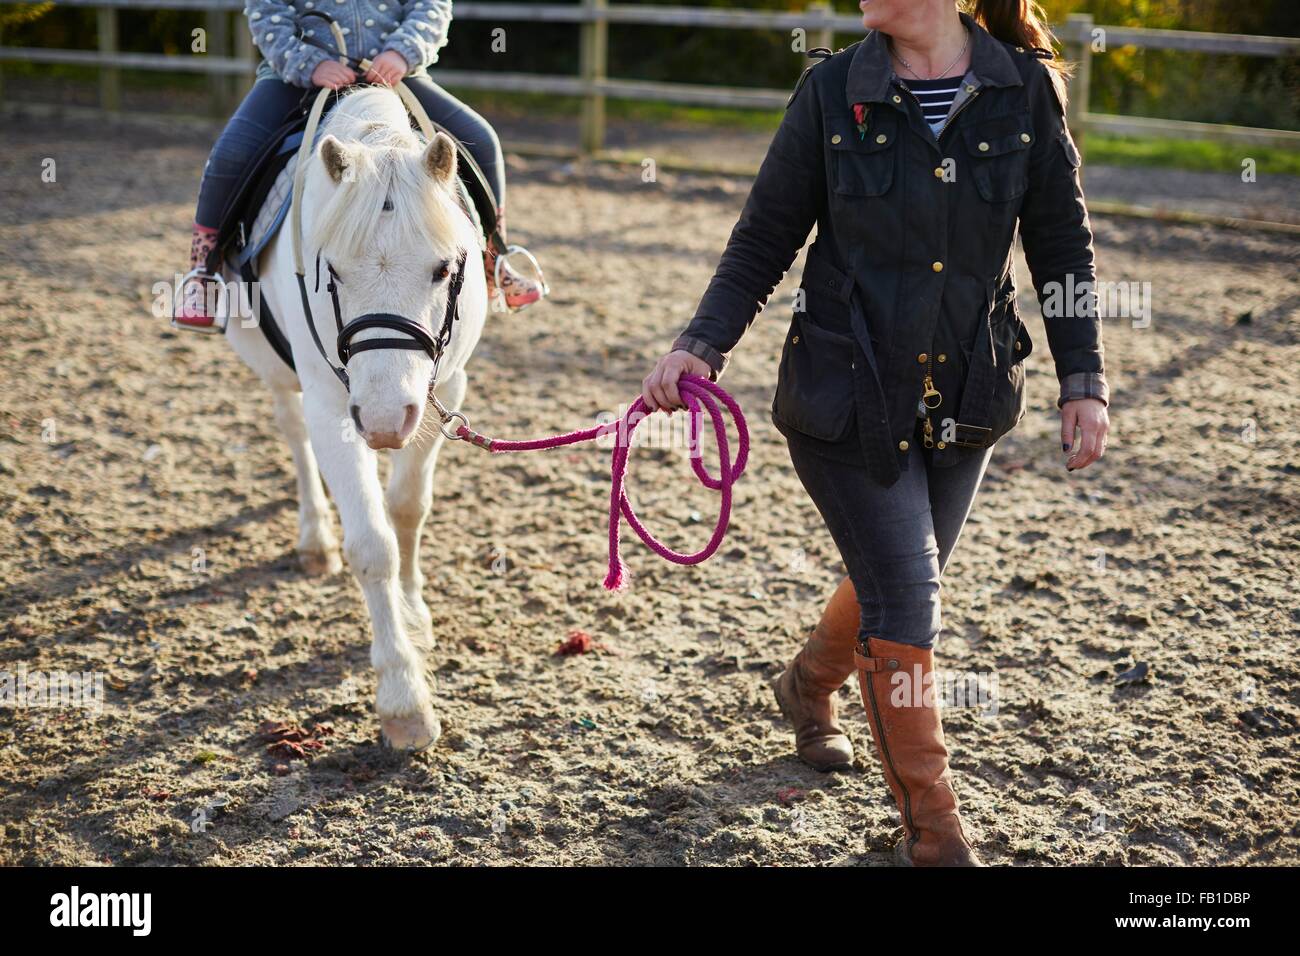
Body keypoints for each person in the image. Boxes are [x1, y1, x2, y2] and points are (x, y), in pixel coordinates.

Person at [641, 0, 1110, 866]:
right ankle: (933, 832)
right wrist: (698, 347)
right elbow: (765, 237)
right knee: (908, 598)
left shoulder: (1025, 93)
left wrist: (1084, 381)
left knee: (904, 571)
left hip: (967, 396)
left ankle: (807, 685)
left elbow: (1062, 248)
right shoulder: (829, 91)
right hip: (844, 396)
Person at [176, 0, 545, 327]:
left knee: (481, 139)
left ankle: (496, 259)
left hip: (395, 76)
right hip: (296, 79)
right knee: (232, 151)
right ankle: (204, 270)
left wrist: (401, 52)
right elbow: (266, 10)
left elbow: (431, 5)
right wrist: (309, 62)